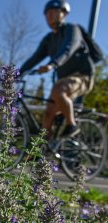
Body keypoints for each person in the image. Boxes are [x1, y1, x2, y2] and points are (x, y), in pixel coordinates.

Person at [19, 0, 95, 139]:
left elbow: (68, 48)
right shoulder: (49, 39)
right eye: (47, 13)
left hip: (82, 76)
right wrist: (17, 73)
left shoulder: (72, 29)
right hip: (63, 79)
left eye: (54, 11)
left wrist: (52, 64)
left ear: (64, 13)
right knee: (48, 113)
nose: (50, 15)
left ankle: (72, 125)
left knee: (58, 90)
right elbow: (34, 58)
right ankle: (45, 149)